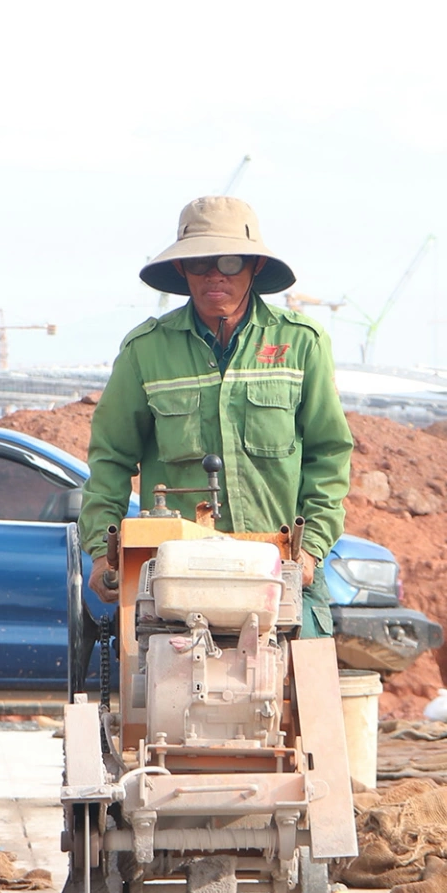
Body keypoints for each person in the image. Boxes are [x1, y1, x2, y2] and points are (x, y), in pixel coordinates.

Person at [79, 195, 353, 636]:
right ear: (181, 271)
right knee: (160, 692)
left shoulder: (302, 343)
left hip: (279, 569)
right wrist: (101, 552)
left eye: (228, 262)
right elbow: (110, 459)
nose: (214, 276)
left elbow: (329, 454)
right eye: (199, 263)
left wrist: (311, 551)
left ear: (254, 267)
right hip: (177, 577)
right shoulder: (145, 351)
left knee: (308, 696)